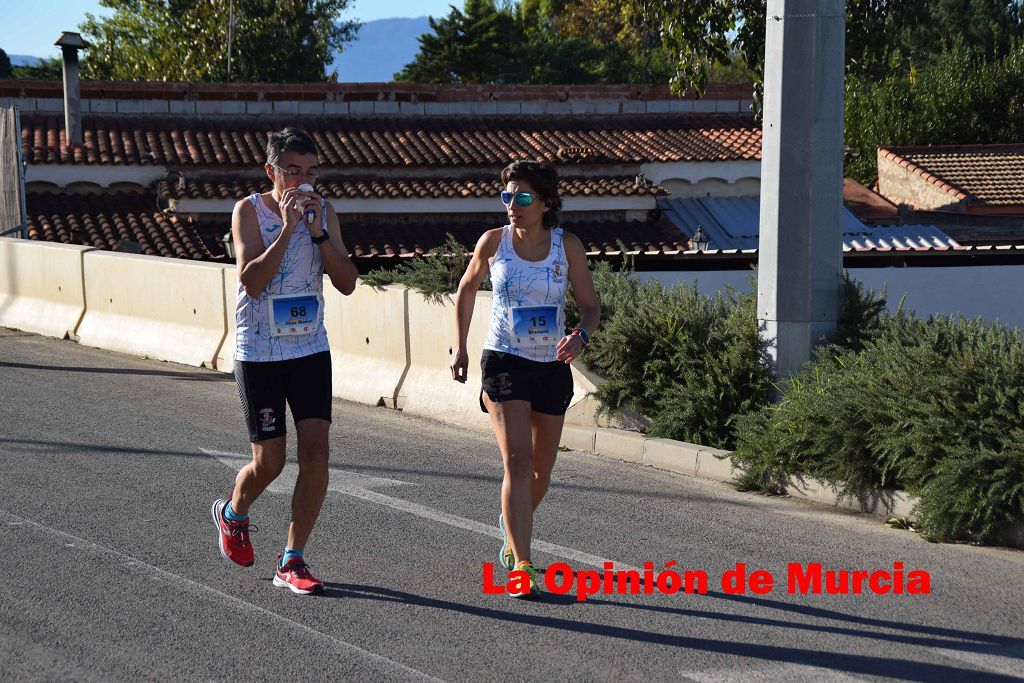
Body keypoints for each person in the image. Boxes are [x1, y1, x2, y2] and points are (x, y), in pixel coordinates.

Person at [211, 127, 358, 595]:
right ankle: (234, 512)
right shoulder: (247, 211)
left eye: (311, 172)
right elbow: (251, 280)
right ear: (271, 171)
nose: (302, 181)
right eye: (292, 171)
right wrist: (289, 228)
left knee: (316, 450)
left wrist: (317, 233)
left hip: (310, 348)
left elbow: (348, 282)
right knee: (269, 462)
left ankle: (292, 559)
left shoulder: (325, 213)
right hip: (259, 352)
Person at [451, 160, 600, 598]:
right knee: (517, 461)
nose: (512, 205)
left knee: (540, 473)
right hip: (504, 360)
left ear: (546, 203)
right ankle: (523, 564)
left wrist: (581, 337)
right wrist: (459, 347)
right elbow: (465, 289)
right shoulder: (493, 242)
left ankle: (510, 523)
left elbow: (590, 307)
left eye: (522, 197)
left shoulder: (566, 246)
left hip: (552, 364)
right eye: (507, 197)